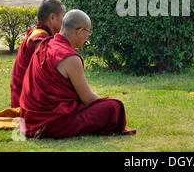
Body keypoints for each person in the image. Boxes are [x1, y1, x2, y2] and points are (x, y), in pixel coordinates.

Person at [19, 9, 135, 138]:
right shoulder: (69, 57)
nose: (87, 37)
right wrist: (104, 101)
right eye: (88, 32)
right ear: (80, 32)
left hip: (29, 121)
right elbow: (87, 99)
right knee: (114, 106)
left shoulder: (45, 44)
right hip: (52, 124)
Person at [10, 0, 66, 108]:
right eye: (63, 16)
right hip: (26, 99)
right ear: (52, 17)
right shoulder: (39, 39)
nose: (65, 22)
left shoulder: (41, 34)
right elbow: (45, 72)